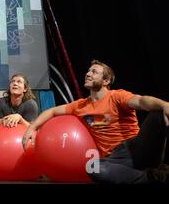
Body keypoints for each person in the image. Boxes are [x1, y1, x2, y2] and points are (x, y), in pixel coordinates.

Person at [23, 60, 169, 184]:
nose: (88, 74)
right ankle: (151, 177)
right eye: (88, 71)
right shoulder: (80, 105)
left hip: (136, 148)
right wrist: (32, 128)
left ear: (106, 81)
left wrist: (164, 105)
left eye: (94, 72)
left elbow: (142, 101)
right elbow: (52, 111)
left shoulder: (117, 96)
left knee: (157, 113)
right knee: (93, 167)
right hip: (115, 159)